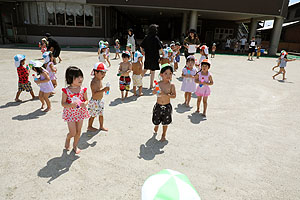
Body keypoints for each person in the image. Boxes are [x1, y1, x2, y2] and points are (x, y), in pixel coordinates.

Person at [61, 66, 90, 154]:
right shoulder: (66, 91)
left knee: (79, 131)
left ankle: (75, 146)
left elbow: (86, 100)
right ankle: (68, 138)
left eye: (81, 76)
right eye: (77, 77)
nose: (80, 79)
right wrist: (70, 105)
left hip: (80, 113)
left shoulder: (83, 89)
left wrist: (85, 104)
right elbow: (63, 103)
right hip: (70, 114)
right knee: (73, 132)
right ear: (70, 78)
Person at [152, 64, 176, 142]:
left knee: (165, 122)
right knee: (156, 119)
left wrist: (165, 94)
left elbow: (174, 96)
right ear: (161, 74)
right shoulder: (158, 84)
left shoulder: (171, 85)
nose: (168, 75)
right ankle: (156, 125)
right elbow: (153, 92)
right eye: (166, 73)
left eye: (170, 73)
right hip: (158, 105)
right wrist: (155, 91)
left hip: (167, 106)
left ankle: (163, 134)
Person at [87, 62, 109, 132]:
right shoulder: (93, 82)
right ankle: (89, 126)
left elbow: (100, 90)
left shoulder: (99, 80)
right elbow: (94, 94)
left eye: (104, 73)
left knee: (101, 114)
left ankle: (101, 126)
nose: (104, 75)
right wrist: (103, 90)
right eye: (102, 73)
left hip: (100, 100)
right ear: (96, 72)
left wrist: (105, 90)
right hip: (95, 102)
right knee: (93, 115)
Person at [140, 24, 164, 88]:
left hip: (148, 56)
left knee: (145, 69)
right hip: (155, 57)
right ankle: (151, 85)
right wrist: (163, 54)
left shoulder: (147, 37)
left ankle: (139, 80)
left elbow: (141, 46)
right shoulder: (156, 38)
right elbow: (161, 48)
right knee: (152, 71)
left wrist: (143, 52)